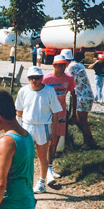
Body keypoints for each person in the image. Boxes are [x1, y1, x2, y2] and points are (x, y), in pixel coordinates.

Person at [15, 66, 62, 194]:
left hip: (43, 127)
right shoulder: (23, 91)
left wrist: (54, 132)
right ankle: (25, 182)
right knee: (26, 156)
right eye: (31, 78)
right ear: (28, 78)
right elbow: (19, 111)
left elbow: (56, 113)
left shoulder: (49, 91)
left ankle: (42, 182)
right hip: (27, 126)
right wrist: (18, 130)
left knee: (42, 156)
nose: (34, 81)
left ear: (42, 78)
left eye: (37, 78)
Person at [42, 54, 76, 184]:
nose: (62, 68)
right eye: (59, 65)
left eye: (63, 65)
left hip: (61, 114)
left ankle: (50, 166)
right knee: (47, 141)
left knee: (55, 141)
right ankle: (45, 168)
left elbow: (73, 95)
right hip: (48, 114)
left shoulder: (69, 79)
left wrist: (73, 114)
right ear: (54, 66)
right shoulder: (47, 79)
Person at [63, 49, 97, 150]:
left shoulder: (71, 67)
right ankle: (91, 140)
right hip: (86, 95)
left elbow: (69, 83)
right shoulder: (78, 64)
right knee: (78, 120)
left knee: (82, 121)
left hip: (82, 96)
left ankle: (87, 143)